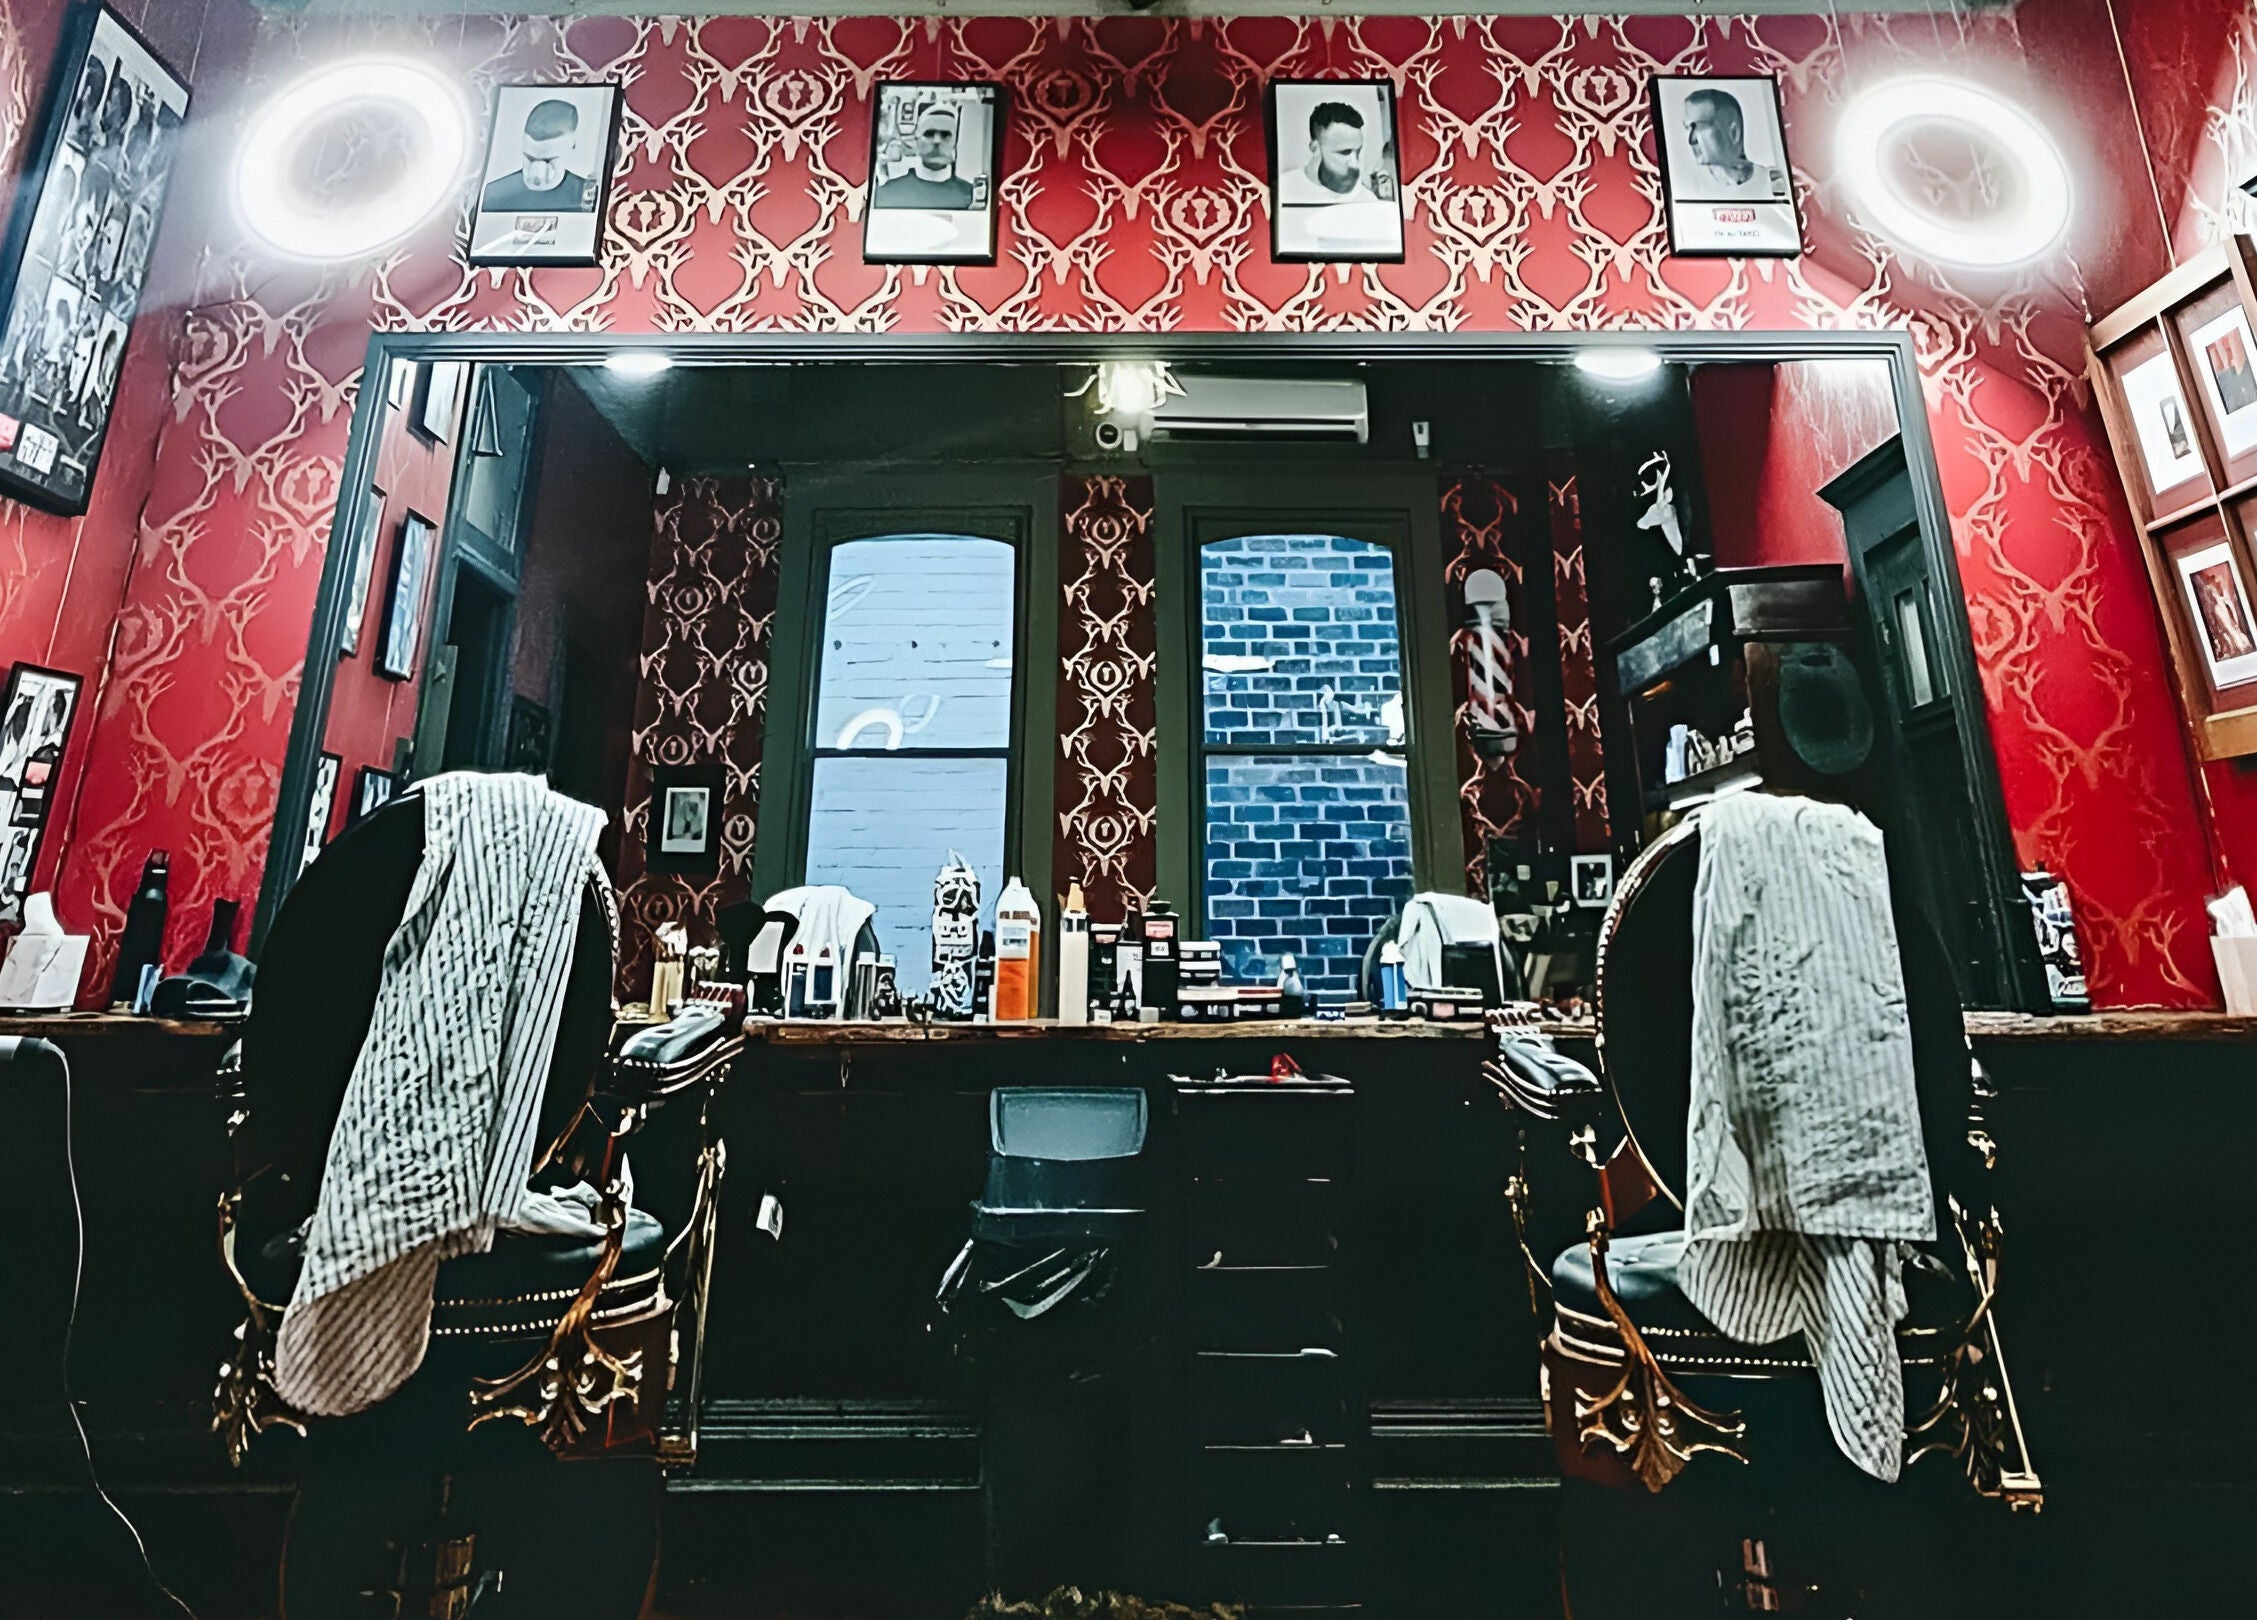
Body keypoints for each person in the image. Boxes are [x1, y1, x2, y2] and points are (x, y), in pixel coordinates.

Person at [480, 98, 597, 216]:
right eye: (529, 158)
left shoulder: (586, 195)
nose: (537, 177)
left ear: (572, 143)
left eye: (549, 161)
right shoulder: (494, 195)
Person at [1680, 87, 1789, 201]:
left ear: (1733, 132)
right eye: (1688, 128)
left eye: (1701, 126)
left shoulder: (1773, 182)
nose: (1692, 140)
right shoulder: (1689, 188)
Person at [873, 102, 976, 209]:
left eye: (945, 135)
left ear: (955, 142)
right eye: (929, 134)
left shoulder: (970, 197)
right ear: (917, 140)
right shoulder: (887, 195)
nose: (937, 141)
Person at [1278, 101, 1377, 205]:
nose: (1355, 164)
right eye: (1345, 152)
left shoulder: (1366, 200)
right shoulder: (1283, 189)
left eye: (1358, 152)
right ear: (1315, 148)